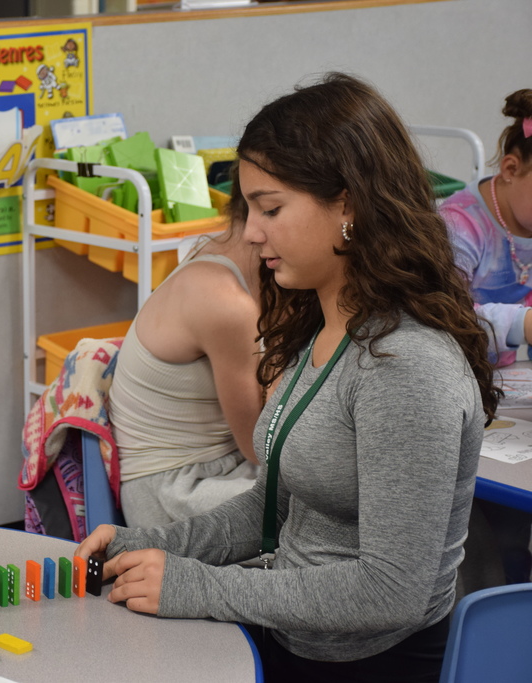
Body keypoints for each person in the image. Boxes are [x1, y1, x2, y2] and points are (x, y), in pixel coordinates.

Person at [77, 73, 498, 682]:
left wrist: (203, 588)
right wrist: (155, 546)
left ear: (349, 203)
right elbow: (275, 509)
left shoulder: (407, 366)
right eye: (250, 210)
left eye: (271, 209)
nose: (251, 232)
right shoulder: (323, 326)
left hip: (372, 664)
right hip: (297, 640)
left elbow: (391, 591)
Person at [110, 218, 261, 528]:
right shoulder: (222, 298)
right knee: (325, 509)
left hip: (220, 465)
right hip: (175, 489)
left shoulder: (223, 251)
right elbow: (260, 446)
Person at [439, 88, 532, 586]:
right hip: (460, 383)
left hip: (512, 389)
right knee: (486, 521)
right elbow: (444, 319)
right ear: (511, 169)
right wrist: (522, 325)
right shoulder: (461, 224)